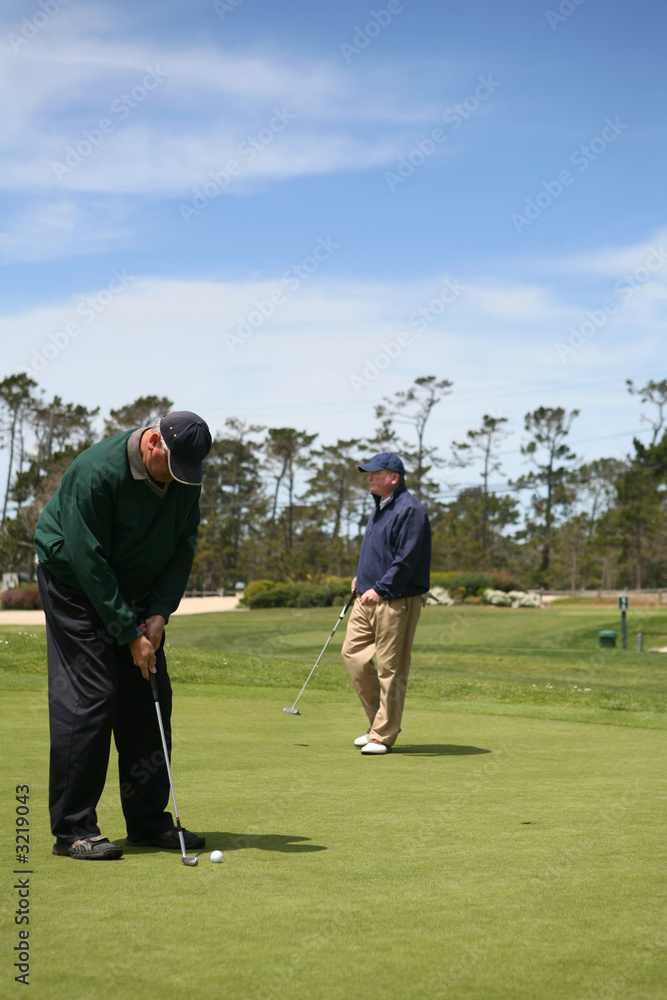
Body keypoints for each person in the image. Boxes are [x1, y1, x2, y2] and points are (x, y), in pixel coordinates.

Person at [34, 410, 212, 859]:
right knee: (92, 694)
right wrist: (128, 632)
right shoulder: (96, 471)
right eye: (169, 469)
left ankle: (149, 823)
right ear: (153, 442)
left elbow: (183, 545)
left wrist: (158, 615)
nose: (176, 481)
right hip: (73, 582)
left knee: (149, 690)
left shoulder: (185, 478)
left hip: (134, 587)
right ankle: (73, 829)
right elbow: (87, 559)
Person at [341, 453, 431, 755]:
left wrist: (380, 588)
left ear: (393, 477)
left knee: (390, 668)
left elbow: (405, 560)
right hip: (366, 596)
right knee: (352, 656)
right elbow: (376, 552)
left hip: (396, 600)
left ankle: (382, 734)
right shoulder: (379, 508)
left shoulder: (411, 510)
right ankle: (378, 722)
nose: (369, 478)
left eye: (374, 473)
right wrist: (360, 577)